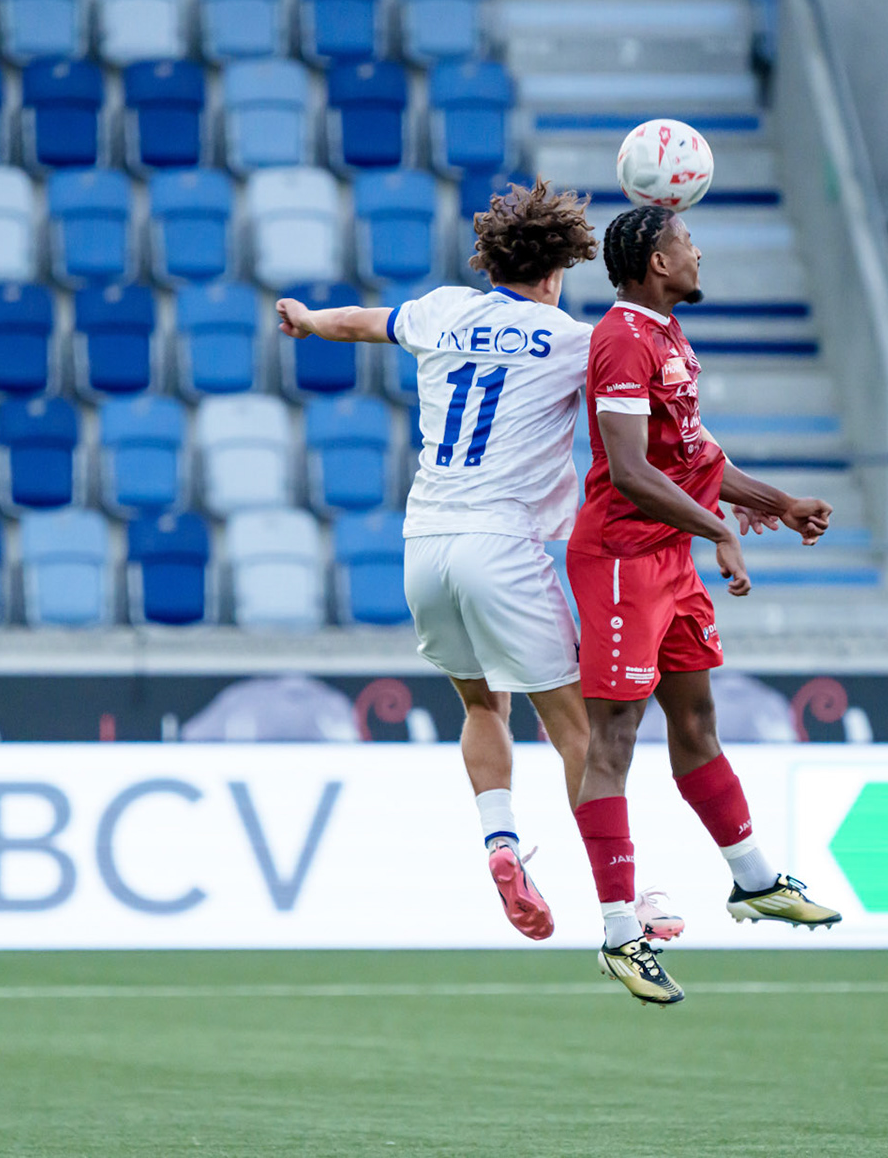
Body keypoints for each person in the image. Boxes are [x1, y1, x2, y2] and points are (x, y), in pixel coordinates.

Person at [274, 180, 682, 944]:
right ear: (560, 269)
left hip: (425, 543)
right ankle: (624, 904)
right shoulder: (573, 341)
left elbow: (360, 322)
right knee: (579, 732)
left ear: (492, 261)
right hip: (506, 544)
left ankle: (500, 842)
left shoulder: (440, 310)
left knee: (481, 705)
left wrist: (305, 320)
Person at [565, 205, 839, 1005]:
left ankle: (753, 882)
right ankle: (621, 933)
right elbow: (626, 471)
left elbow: (693, 455)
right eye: (685, 243)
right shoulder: (620, 337)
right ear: (655, 260)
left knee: (696, 722)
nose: (696, 253)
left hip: (669, 562)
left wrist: (778, 502)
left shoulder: (669, 336)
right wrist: (720, 527)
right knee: (613, 739)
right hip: (621, 560)